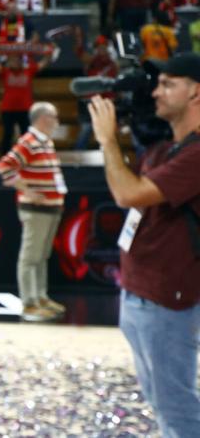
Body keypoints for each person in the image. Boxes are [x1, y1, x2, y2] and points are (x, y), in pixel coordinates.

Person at [88, 52, 200, 438]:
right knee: (160, 400)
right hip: (140, 291)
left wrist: (106, 139)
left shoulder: (197, 153)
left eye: (169, 84)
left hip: (168, 297)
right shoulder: (168, 146)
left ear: (196, 92)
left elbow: (127, 193)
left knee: (176, 407)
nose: (156, 92)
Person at [0, 102, 67, 322]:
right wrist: (27, 190)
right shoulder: (29, 141)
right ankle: (28, 303)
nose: (57, 122)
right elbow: (4, 166)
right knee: (30, 257)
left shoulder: (44, 142)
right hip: (36, 208)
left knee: (41, 256)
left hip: (50, 207)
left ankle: (40, 297)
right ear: (43, 118)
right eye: (54, 117)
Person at [0, 49, 54, 153]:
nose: (14, 62)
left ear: (21, 61)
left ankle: (26, 156)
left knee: (26, 134)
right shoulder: (5, 72)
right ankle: (4, 158)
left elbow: (42, 64)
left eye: (17, 60)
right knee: (8, 133)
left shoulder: (28, 70)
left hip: (25, 109)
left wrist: (49, 54)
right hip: (8, 108)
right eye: (12, 60)